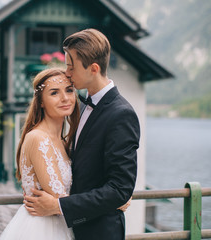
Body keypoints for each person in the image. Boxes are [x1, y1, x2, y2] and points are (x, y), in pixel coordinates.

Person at [24, 28, 140, 240]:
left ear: (93, 69)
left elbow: (119, 188)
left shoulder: (121, 114)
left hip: (100, 232)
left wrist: (59, 205)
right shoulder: (80, 108)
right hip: (70, 229)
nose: (66, 74)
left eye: (71, 67)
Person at [0, 68, 80, 240]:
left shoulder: (63, 142)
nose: (65, 98)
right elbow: (60, 197)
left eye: (69, 90)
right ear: (41, 101)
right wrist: (110, 204)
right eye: (54, 93)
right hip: (41, 230)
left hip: (60, 224)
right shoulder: (38, 139)